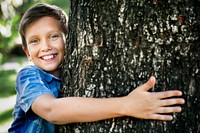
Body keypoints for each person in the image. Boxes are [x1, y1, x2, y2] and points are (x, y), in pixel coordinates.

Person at [8, 3, 185, 133]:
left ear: (71, 41)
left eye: (54, 36)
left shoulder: (73, 72)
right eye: (35, 41)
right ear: (28, 53)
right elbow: (51, 110)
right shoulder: (28, 76)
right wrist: (127, 105)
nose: (45, 46)